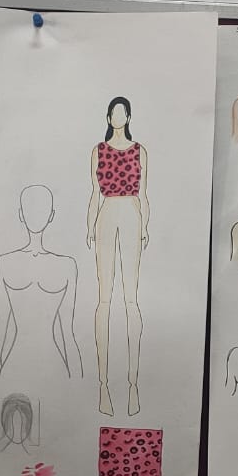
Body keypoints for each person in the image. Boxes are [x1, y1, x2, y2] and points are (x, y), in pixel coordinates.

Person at [86, 97, 150, 418]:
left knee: (131, 300)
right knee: (104, 300)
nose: (118, 116)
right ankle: (103, 385)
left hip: (131, 214)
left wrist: (145, 226)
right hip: (107, 213)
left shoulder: (140, 151)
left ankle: (133, 384)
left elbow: (144, 194)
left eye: (122, 112)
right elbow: (94, 194)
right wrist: (89, 226)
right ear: (108, 116)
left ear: (129, 116)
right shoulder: (98, 150)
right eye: (114, 112)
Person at [0, 185, 83, 380]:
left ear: (20, 215)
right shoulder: (65, 265)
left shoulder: (7, 262)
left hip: (44, 367)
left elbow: (68, 336)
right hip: (24, 366)